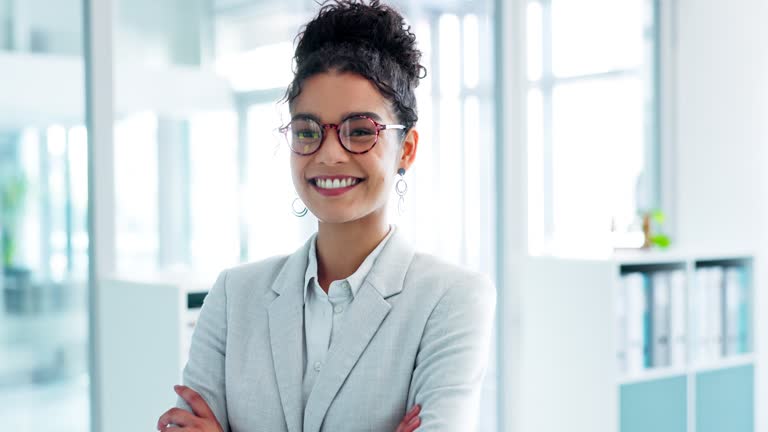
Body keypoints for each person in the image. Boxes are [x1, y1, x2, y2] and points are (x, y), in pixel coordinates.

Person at [156, 1, 496, 431]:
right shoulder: (232, 296)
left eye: (359, 131)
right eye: (307, 131)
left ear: (405, 149)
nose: (329, 154)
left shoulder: (452, 299)